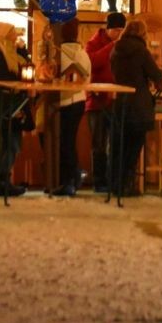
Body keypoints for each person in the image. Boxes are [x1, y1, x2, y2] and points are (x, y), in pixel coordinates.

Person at [109, 19, 162, 196]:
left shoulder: (115, 50)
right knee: (133, 147)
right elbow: (155, 74)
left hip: (119, 103)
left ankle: (115, 184)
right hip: (138, 105)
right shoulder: (141, 51)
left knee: (119, 146)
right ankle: (127, 184)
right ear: (143, 34)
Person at [0, 21, 29, 197]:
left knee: (13, 142)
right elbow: (5, 75)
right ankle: (3, 181)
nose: (15, 36)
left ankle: (4, 181)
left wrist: (22, 50)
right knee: (10, 142)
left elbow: (26, 66)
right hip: (6, 100)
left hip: (14, 98)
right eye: (11, 33)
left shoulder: (11, 52)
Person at [84, 12, 124, 192]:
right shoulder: (93, 43)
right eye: (116, 30)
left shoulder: (122, 44)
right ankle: (99, 181)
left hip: (115, 100)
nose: (119, 34)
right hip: (96, 101)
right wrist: (111, 47)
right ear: (108, 29)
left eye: (122, 30)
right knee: (98, 143)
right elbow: (91, 63)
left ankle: (113, 180)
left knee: (114, 142)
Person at [51, 18, 91, 197]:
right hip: (79, 100)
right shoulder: (81, 52)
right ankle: (72, 178)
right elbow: (87, 76)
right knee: (68, 142)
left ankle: (71, 180)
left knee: (66, 143)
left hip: (67, 101)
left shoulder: (62, 52)